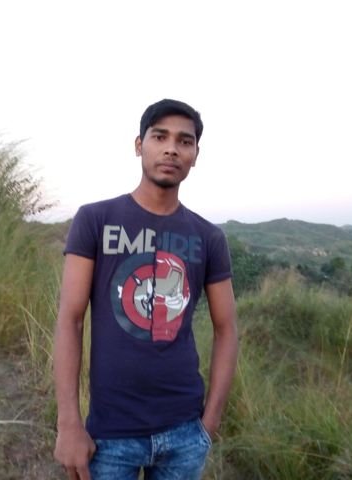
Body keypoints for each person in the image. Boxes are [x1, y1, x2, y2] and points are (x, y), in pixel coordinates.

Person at [53, 99, 238, 479]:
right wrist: (68, 423)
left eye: (185, 141)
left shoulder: (208, 237)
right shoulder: (95, 220)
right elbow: (71, 319)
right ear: (139, 145)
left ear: (196, 155)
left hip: (185, 431)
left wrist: (210, 423)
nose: (172, 149)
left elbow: (227, 329)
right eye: (160, 137)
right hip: (110, 435)